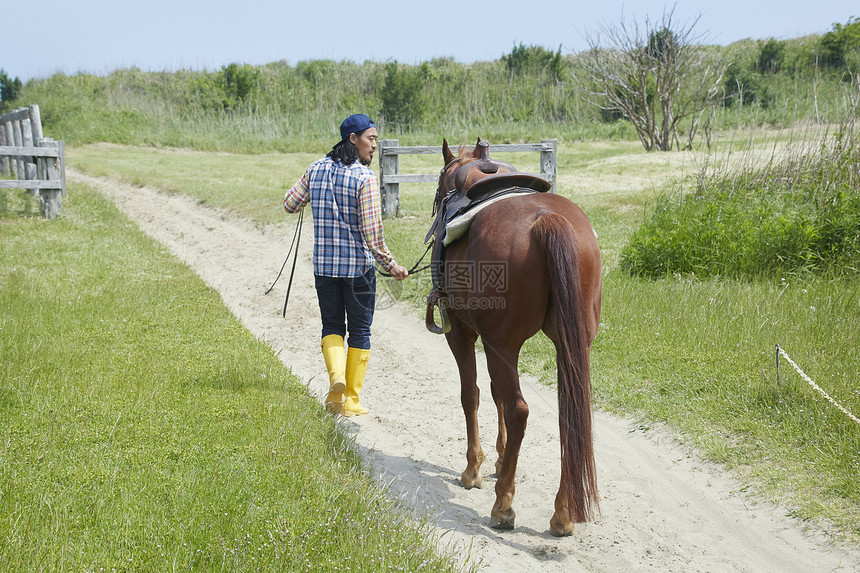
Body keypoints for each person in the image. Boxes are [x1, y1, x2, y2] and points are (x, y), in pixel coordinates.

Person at [283, 114, 408, 417]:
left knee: (332, 326)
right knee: (361, 330)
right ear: (353, 139)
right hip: (358, 271)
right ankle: (350, 399)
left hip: (324, 268)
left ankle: (335, 381)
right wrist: (390, 265)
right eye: (371, 138)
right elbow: (372, 232)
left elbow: (290, 203)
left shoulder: (316, 169)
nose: (374, 145)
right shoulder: (364, 178)